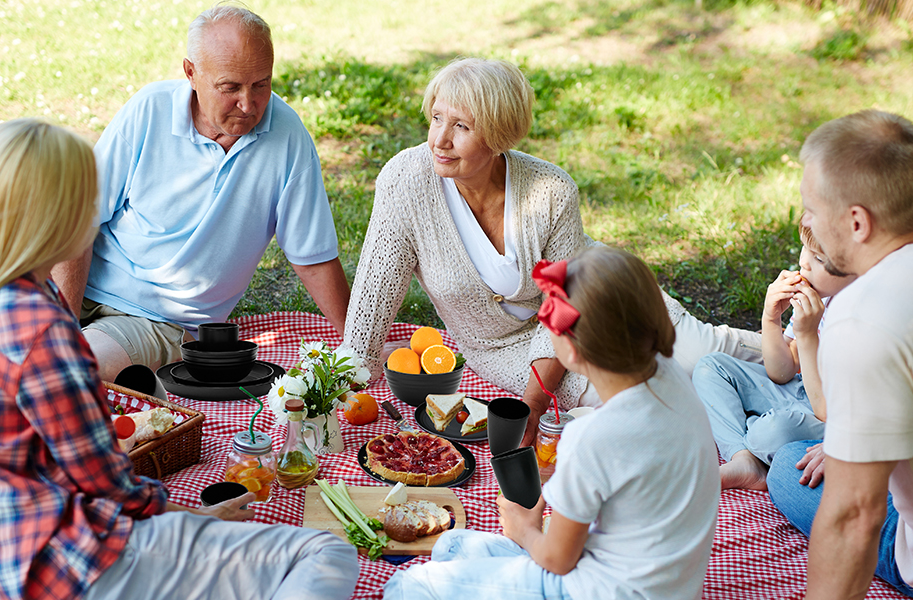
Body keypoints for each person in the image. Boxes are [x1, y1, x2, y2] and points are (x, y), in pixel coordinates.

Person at [0, 118, 359, 600]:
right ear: (55, 217)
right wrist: (197, 517)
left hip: (8, 567)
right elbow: (111, 487)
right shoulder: (42, 332)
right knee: (328, 553)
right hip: (83, 568)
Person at [342, 56, 763, 444]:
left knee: (703, 354)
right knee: (655, 403)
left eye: (461, 127)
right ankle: (772, 430)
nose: (440, 140)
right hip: (502, 348)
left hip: (597, 299)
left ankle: (805, 351)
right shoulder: (406, 181)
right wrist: (345, 378)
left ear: (497, 136)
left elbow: (563, 298)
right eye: (436, 118)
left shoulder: (551, 190)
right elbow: (376, 290)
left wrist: (535, 404)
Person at [383, 247, 720, 600]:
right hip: (671, 587)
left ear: (571, 351)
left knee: (407, 586)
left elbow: (558, 561)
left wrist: (524, 530)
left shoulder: (593, 436)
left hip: (590, 589)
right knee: (451, 546)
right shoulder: (675, 379)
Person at [52, 4, 351, 382]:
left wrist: (358, 342)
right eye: (230, 87)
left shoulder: (288, 137)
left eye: (261, 84)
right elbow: (79, 218)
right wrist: (60, 327)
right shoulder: (149, 110)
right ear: (191, 73)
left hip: (159, 320)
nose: (248, 104)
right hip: (74, 282)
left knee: (73, 374)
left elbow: (313, 257)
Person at [765, 110, 913, 599]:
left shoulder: (861, 317)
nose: (805, 222)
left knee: (789, 468)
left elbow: (855, 517)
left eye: (811, 209)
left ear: (856, 222)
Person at [692, 221, 855, 491]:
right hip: (801, 391)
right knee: (711, 368)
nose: (803, 262)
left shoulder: (858, 314)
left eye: (818, 257)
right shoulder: (823, 296)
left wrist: (807, 335)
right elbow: (781, 372)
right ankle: (744, 459)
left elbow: (826, 410)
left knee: (770, 432)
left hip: (836, 416)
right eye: (804, 248)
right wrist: (771, 317)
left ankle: (755, 431)